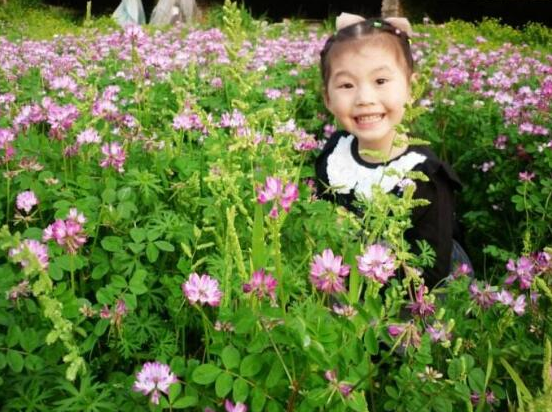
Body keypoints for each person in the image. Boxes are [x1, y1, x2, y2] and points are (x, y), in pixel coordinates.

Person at [315, 13, 470, 288]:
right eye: (347, 85)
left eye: (380, 81)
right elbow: (321, 219)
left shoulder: (427, 177)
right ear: (327, 97)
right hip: (346, 275)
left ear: (411, 88)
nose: (364, 99)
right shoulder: (334, 152)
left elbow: (431, 271)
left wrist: (367, 286)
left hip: (413, 291)